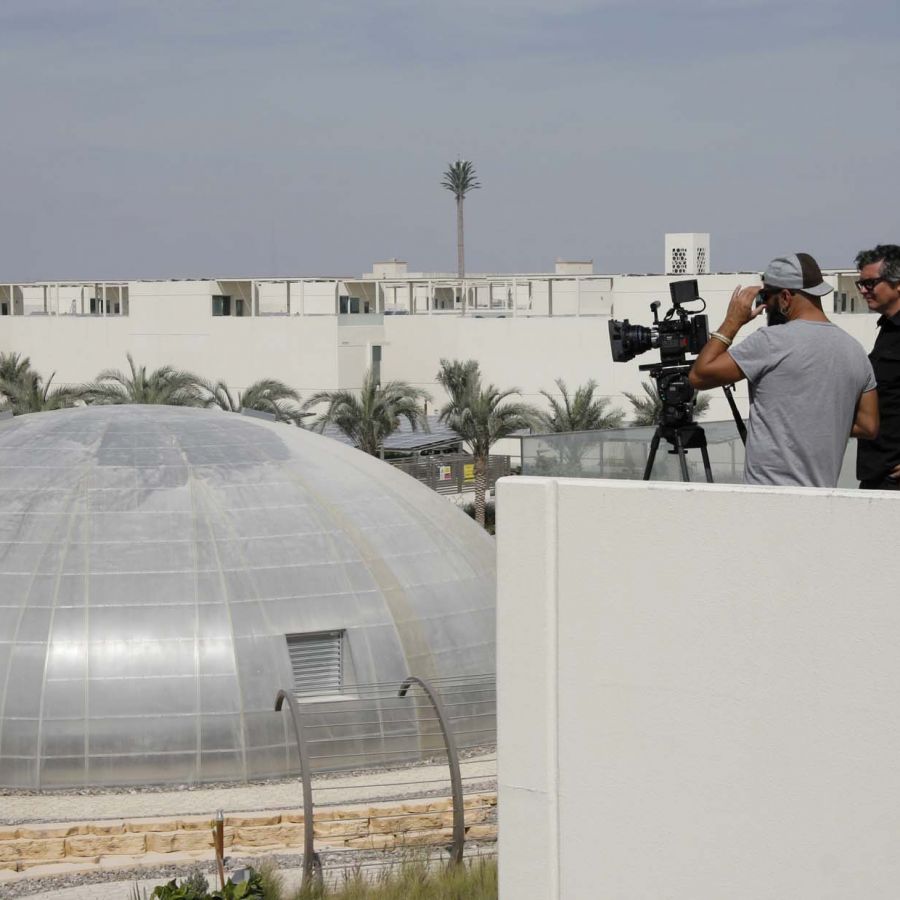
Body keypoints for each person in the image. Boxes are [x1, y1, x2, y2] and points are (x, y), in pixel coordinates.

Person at [688, 252, 878, 487]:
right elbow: (869, 426)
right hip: (822, 499)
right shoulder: (856, 351)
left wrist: (733, 321)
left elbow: (699, 375)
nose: (764, 307)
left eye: (766, 296)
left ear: (786, 297)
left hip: (770, 499)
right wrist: (814, 420)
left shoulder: (770, 341)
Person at [855, 244, 900, 490]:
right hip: (877, 471)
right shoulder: (887, 329)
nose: (863, 290)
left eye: (870, 283)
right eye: (861, 284)